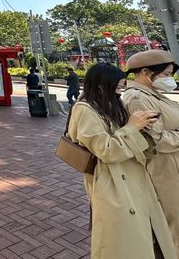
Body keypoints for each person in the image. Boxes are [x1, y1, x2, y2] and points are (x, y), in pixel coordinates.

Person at [67, 63, 175, 259]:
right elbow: (105, 149)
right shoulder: (84, 109)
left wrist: (145, 131)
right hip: (112, 183)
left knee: (150, 237)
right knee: (124, 242)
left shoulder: (110, 105)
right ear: (101, 85)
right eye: (117, 85)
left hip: (134, 179)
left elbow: (127, 140)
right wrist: (132, 127)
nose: (121, 89)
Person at [123, 50, 179, 252]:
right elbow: (156, 141)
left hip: (172, 164)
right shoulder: (138, 98)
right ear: (145, 72)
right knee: (173, 223)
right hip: (164, 168)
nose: (169, 79)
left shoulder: (153, 94)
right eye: (165, 74)